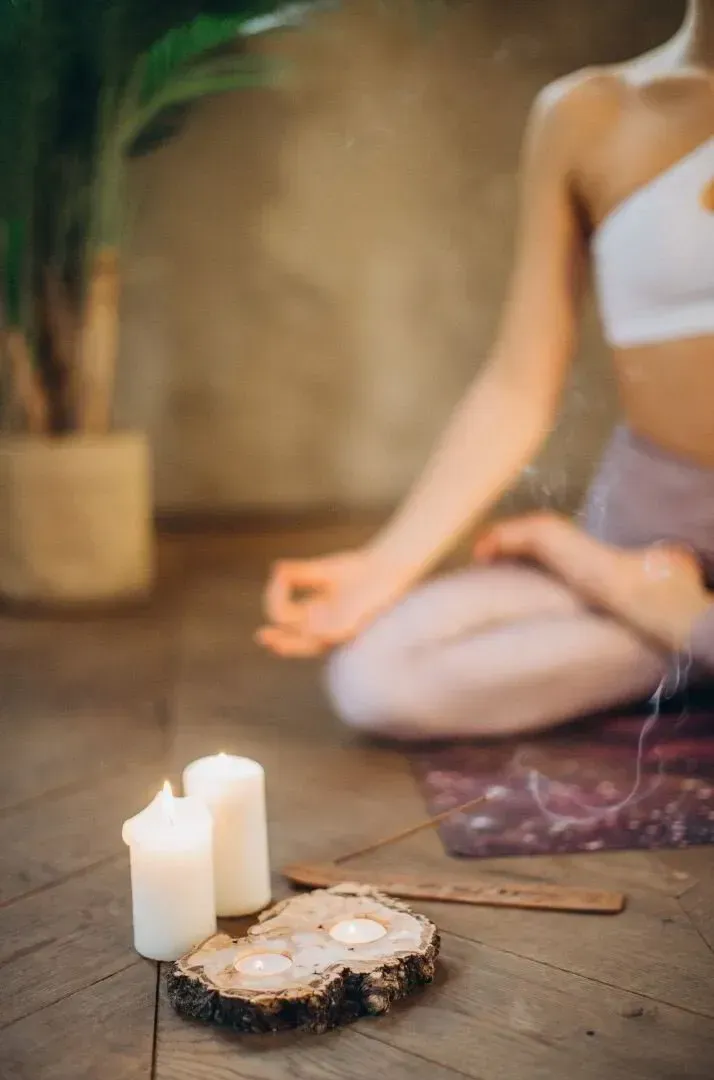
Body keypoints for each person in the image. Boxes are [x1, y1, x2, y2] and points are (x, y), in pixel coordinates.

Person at [257, 0, 714, 740]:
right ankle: (679, 631)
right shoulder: (587, 115)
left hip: (636, 579)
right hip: (642, 535)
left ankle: (678, 623)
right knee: (378, 677)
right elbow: (517, 383)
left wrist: (667, 607)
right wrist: (384, 566)